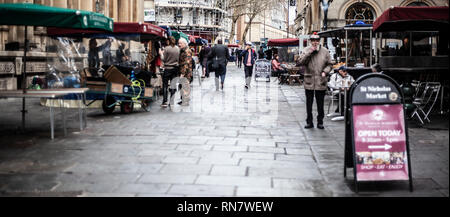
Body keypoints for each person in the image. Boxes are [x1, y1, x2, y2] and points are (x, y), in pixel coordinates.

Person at [297, 33, 333, 129]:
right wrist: (309, 52)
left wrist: (325, 72)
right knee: (309, 103)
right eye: (313, 40)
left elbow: (330, 64)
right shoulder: (306, 50)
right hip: (309, 80)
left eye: (317, 40)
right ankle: (309, 122)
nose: (315, 42)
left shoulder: (325, 51)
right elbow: (300, 62)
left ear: (319, 41)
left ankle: (320, 121)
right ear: (310, 41)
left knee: (320, 104)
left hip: (321, 80)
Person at [160, 36, 180, 108]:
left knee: (165, 85)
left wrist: (161, 54)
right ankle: (171, 101)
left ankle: (164, 101)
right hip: (175, 69)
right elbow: (178, 59)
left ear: (168, 41)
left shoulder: (166, 48)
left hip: (168, 68)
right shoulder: (178, 49)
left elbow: (163, 59)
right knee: (173, 85)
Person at [178, 37, 193, 106]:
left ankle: (186, 101)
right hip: (182, 71)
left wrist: (183, 73)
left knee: (185, 86)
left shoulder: (187, 51)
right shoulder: (182, 50)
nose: (179, 44)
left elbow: (186, 63)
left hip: (186, 73)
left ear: (184, 43)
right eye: (178, 43)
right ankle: (183, 99)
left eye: (180, 43)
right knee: (182, 86)